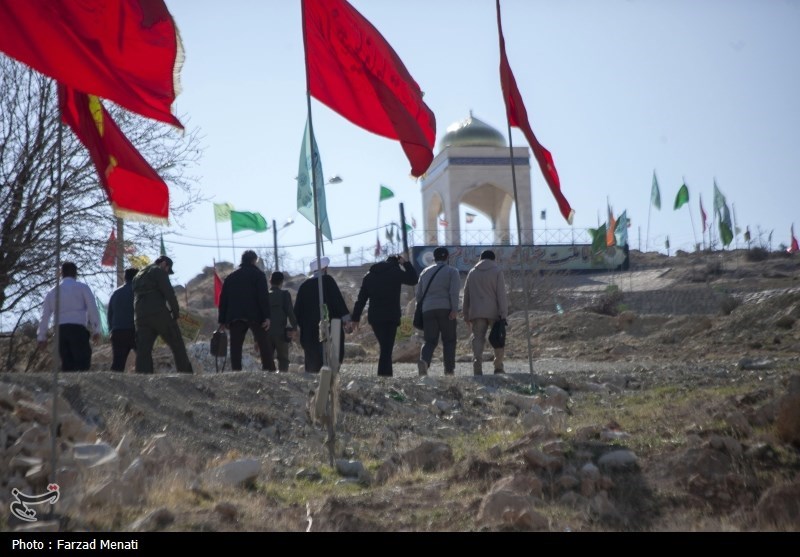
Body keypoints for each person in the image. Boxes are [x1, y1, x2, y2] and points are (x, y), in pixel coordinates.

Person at [351, 252, 418, 376]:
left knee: (385, 347)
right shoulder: (395, 272)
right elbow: (414, 279)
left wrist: (355, 318)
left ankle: (385, 375)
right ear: (396, 263)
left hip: (375, 317)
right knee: (387, 347)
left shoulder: (369, 275)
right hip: (391, 317)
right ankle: (384, 376)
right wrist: (406, 263)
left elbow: (361, 300)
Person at [132, 255, 193, 374]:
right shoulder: (158, 271)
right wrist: (175, 313)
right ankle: (186, 374)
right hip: (157, 313)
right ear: (164, 263)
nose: (167, 273)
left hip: (140, 317)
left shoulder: (138, 276)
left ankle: (143, 377)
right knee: (177, 343)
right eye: (168, 269)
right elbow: (169, 293)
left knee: (143, 350)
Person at [37, 261, 102, 372]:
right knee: (82, 363)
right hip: (77, 330)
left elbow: (45, 316)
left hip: (59, 331)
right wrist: (97, 330)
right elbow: (92, 309)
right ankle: (80, 386)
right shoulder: (83, 288)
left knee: (67, 365)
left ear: (62, 273)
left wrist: (41, 337)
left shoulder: (52, 292)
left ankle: (69, 387)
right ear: (75, 273)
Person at [293, 256, 352, 373]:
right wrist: (346, 320)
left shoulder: (304, 286)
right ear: (325, 268)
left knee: (313, 362)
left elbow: (297, 311)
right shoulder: (328, 281)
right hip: (329, 327)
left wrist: (295, 327)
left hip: (310, 331)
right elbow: (338, 301)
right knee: (331, 358)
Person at [217, 250, 272, 371]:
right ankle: (269, 371)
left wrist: (222, 320)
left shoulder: (230, 277)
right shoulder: (258, 275)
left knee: (235, 347)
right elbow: (263, 297)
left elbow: (223, 299)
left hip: (235, 317)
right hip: (256, 316)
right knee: (264, 345)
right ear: (254, 261)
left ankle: (236, 372)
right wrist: (267, 317)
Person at [415, 247, 461, 376]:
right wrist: (454, 309)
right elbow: (454, 292)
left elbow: (418, 295)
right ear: (447, 257)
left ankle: (424, 362)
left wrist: (423, 308)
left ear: (434, 258)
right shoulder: (452, 271)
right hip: (446, 309)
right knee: (449, 340)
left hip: (428, 310)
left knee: (429, 340)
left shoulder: (424, 272)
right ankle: (449, 370)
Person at [462, 250, 509, 375]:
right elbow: (501, 294)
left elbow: (466, 295)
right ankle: (498, 367)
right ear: (493, 259)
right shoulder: (497, 271)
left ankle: (477, 366)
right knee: (498, 339)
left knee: (478, 339)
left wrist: (465, 313)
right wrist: (503, 313)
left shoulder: (472, 273)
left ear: (480, 259)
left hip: (476, 312)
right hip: (495, 313)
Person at [107, 267, 139, 372]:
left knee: (117, 364)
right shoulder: (138, 291)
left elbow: (110, 315)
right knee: (144, 360)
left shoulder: (116, 293)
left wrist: (111, 330)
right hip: (134, 331)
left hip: (117, 332)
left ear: (125, 278)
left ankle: (113, 386)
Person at [265, 271, 298, 372]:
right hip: (281, 333)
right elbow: (290, 312)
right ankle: (282, 381)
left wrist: (257, 339)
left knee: (267, 360)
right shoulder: (284, 295)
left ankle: (269, 382)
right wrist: (295, 328)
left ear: (270, 281)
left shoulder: (264, 295)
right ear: (281, 282)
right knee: (283, 360)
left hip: (266, 333)